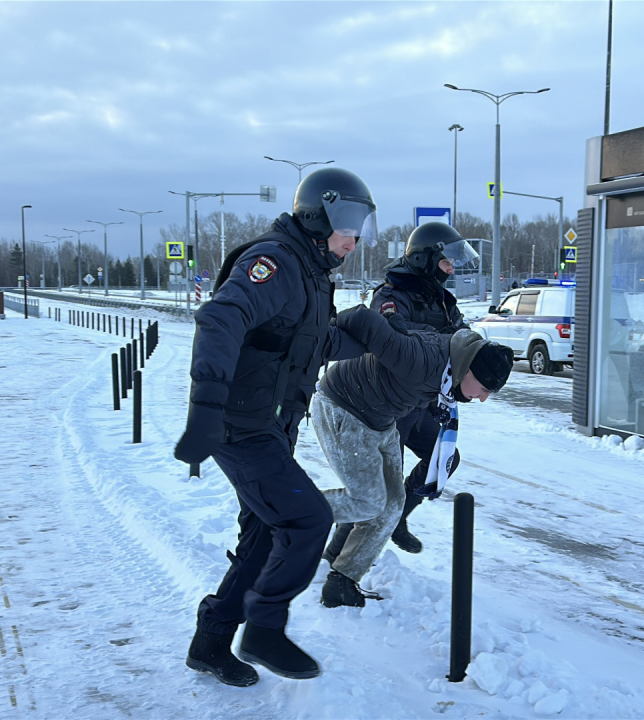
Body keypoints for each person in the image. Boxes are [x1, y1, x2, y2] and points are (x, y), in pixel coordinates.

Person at [173, 167, 379, 687]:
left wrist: (372, 338)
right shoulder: (275, 263)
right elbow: (221, 320)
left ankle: (211, 642)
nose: (356, 241)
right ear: (320, 214)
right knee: (307, 518)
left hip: (270, 425)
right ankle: (263, 630)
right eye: (350, 225)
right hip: (239, 426)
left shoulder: (311, 272)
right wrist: (205, 412)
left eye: (361, 228)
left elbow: (307, 343)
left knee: (265, 536)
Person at [312, 309, 514, 608]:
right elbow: (360, 318)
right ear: (469, 371)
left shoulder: (451, 368)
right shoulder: (422, 360)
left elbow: (404, 329)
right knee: (367, 501)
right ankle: (289, 513)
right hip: (343, 408)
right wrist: (316, 344)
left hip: (381, 420)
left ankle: (342, 581)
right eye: (485, 389)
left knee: (391, 506)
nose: (483, 398)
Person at [325, 222, 479, 559]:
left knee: (444, 458)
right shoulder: (391, 294)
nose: (450, 269)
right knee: (373, 489)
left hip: (421, 402)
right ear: (426, 259)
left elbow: (461, 335)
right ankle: (335, 555)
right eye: (446, 262)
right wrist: (446, 342)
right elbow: (398, 341)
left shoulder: (441, 299)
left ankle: (400, 518)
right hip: (385, 402)